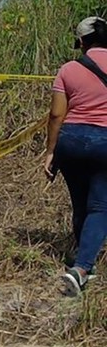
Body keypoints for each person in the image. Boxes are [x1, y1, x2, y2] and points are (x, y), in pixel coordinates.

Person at [44, 16, 107, 296]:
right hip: (105, 141)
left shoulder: (68, 68)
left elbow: (57, 114)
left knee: (81, 204)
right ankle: (81, 269)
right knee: (100, 207)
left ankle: (86, 263)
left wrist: (50, 152)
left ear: (81, 42)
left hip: (71, 141)